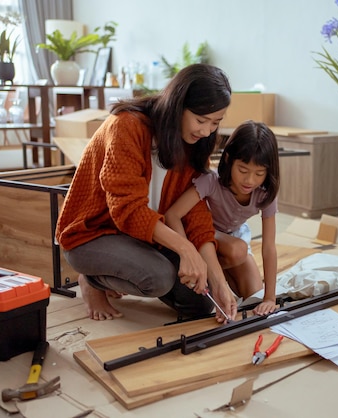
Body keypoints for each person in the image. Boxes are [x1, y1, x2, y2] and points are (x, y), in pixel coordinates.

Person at [55, 63, 238, 323]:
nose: (206, 131)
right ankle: (91, 280)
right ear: (178, 105)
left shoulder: (194, 143)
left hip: (141, 238)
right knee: (158, 277)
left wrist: (219, 282)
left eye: (215, 122)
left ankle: (126, 268)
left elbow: (195, 215)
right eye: (201, 120)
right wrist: (186, 250)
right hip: (91, 235)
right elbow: (127, 211)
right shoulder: (126, 126)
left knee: (198, 302)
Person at [164, 121, 280, 315]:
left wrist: (270, 297)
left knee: (254, 296)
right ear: (228, 159)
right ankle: (214, 273)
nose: (250, 180)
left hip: (233, 235)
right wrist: (188, 253)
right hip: (205, 236)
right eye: (243, 170)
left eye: (259, 173)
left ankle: (218, 271)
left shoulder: (265, 192)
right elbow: (172, 214)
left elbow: (269, 247)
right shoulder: (211, 181)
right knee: (238, 250)